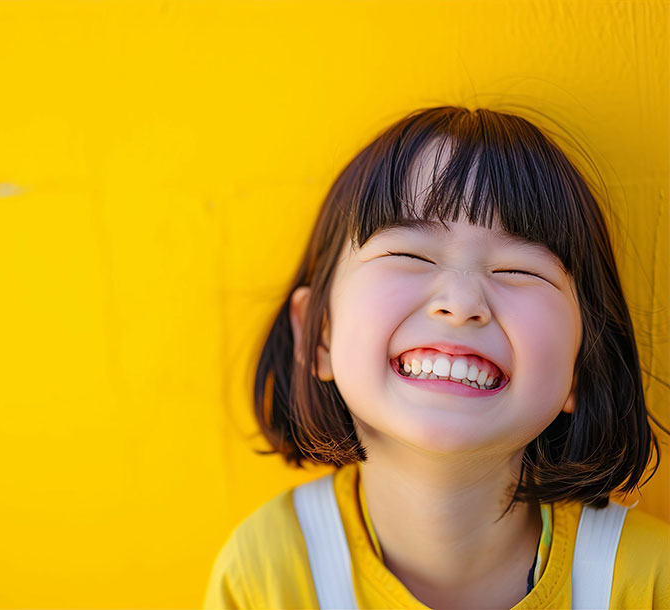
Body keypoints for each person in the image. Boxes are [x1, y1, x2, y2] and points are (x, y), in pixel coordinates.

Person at [202, 106, 670, 609]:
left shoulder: (647, 583)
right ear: (319, 334)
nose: (462, 303)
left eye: (520, 269)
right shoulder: (266, 577)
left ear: (581, 364)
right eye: (411, 255)